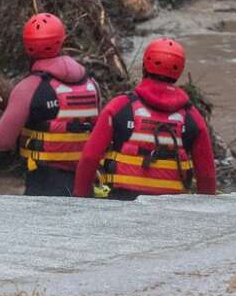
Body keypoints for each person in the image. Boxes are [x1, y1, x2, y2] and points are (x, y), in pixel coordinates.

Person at [72, 37, 218, 200]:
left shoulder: (120, 107)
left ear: (144, 66)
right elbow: (207, 175)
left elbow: (90, 158)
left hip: (121, 204)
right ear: (179, 71)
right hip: (173, 210)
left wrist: (81, 198)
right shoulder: (192, 117)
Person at [0, 13, 102, 195]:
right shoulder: (92, 84)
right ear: (63, 40)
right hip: (85, 182)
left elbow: (2, 140)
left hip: (44, 181)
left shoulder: (28, 87)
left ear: (26, 45)